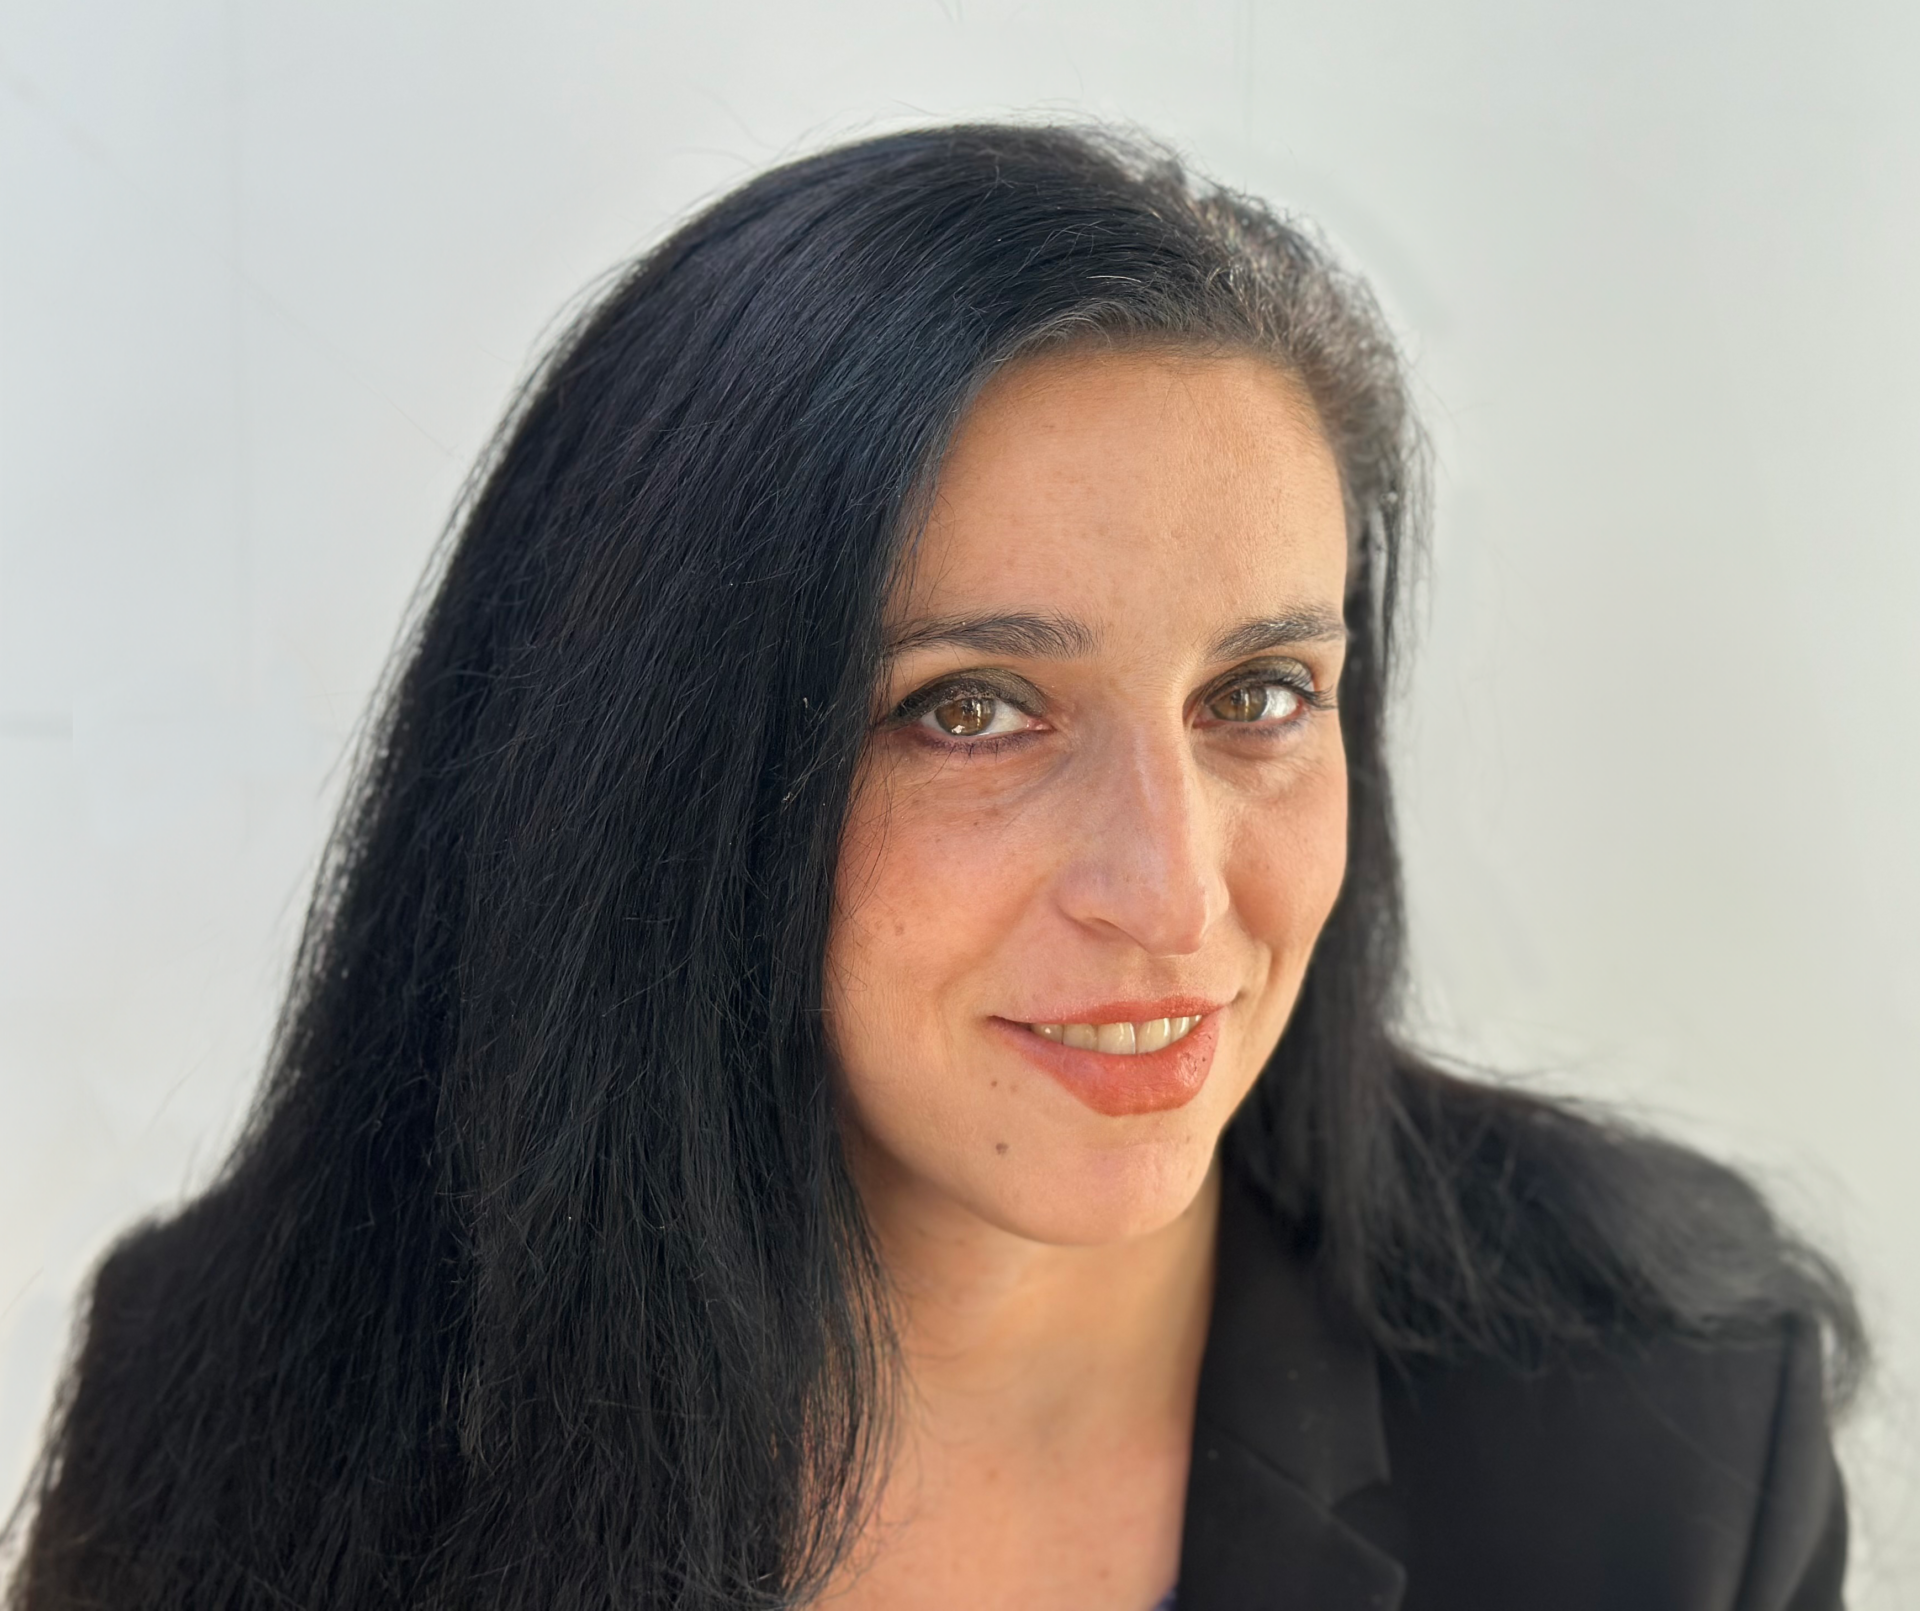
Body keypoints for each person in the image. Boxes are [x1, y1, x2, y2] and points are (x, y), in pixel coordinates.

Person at [5, 124, 1861, 1611]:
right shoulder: (243, 1417)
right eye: (973, 707)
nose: (1171, 889)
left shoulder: (1666, 1432)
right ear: (659, 775)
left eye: (1261, 691)